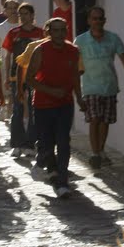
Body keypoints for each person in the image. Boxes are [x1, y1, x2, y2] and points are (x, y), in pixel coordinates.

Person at [26, 17, 84, 198]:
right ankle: (46, 163)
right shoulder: (40, 51)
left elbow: (75, 76)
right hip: (43, 105)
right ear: (48, 32)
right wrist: (50, 90)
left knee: (63, 141)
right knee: (47, 143)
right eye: (55, 30)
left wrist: (80, 99)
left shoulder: (73, 51)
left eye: (62, 30)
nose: (59, 34)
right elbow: (29, 79)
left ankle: (62, 182)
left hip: (65, 104)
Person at [75, 6, 124, 168]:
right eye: (94, 18)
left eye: (100, 18)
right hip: (90, 87)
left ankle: (101, 151)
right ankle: (95, 153)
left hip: (109, 86)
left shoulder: (113, 39)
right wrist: (74, 86)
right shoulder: (80, 41)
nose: (97, 21)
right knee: (94, 119)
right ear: (89, 21)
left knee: (105, 120)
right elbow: (74, 64)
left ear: (104, 20)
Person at [2, 2, 43, 156]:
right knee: (18, 109)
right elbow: (8, 56)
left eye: (26, 14)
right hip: (16, 76)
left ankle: (30, 144)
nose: (23, 17)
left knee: (34, 110)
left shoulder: (41, 33)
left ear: (32, 15)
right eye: (21, 14)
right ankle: (17, 143)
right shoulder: (13, 33)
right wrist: (7, 77)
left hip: (35, 76)